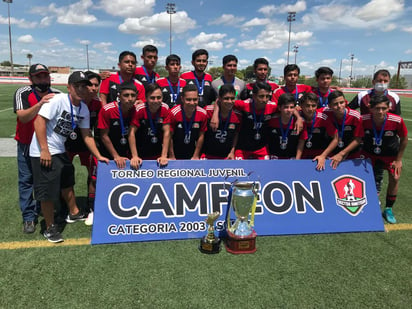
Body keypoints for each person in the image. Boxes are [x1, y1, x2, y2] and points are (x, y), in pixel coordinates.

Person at [29, 71, 109, 242]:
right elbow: (39, 121)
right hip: (43, 151)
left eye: (84, 86)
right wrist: (44, 149)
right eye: (77, 86)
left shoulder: (83, 108)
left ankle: (73, 213)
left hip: (59, 150)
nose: (81, 89)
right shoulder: (58, 100)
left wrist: (98, 155)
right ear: (69, 87)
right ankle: (49, 228)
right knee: (48, 191)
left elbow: (87, 135)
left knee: (67, 183)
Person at [13, 63, 60, 234]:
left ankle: (46, 209)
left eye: (45, 76)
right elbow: (23, 117)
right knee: (26, 180)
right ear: (30, 78)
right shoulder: (23, 92)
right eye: (38, 76)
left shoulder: (57, 94)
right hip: (27, 144)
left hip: (47, 146)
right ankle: (29, 217)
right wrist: (40, 104)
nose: (42, 79)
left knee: (46, 180)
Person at [361, 94, 407, 224]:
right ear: (370, 108)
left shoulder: (396, 120)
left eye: (383, 108)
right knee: (363, 178)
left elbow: (404, 139)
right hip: (369, 154)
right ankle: (368, 205)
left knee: (395, 178)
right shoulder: (363, 119)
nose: (380, 111)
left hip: (390, 156)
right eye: (377, 108)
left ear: (389, 108)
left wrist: (398, 160)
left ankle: (388, 209)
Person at [65, 71, 102, 226]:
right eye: (90, 85)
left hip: (87, 143)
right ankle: (65, 205)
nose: (93, 88)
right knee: (65, 176)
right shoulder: (72, 100)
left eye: (96, 85)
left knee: (93, 175)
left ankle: (91, 206)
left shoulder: (97, 104)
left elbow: (98, 128)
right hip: (67, 143)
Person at [128, 83, 171, 168]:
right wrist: (135, 156)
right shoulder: (139, 109)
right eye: (152, 98)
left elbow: (167, 132)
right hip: (139, 153)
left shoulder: (165, 108)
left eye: (159, 98)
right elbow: (131, 133)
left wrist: (164, 155)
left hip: (157, 153)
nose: (156, 101)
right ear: (146, 98)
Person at [98, 81, 137, 169]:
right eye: (126, 95)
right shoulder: (108, 110)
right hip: (106, 151)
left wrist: (134, 155)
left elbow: (131, 133)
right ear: (119, 96)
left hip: (124, 150)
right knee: (95, 179)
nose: (130, 99)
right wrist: (116, 156)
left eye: (133, 95)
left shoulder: (134, 110)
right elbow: (104, 135)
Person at [234, 82, 278, 160]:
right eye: (261, 96)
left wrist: (298, 118)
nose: (265, 100)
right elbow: (220, 101)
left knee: (265, 170)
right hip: (242, 148)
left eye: (267, 96)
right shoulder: (244, 104)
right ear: (253, 96)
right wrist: (215, 115)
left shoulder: (272, 106)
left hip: (261, 149)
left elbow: (287, 107)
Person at [324, 90, 364, 169]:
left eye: (341, 102)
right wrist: (298, 118)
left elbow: (358, 139)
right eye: (335, 104)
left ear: (345, 102)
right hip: (332, 152)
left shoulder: (355, 116)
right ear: (329, 106)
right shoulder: (325, 112)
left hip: (352, 152)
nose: (339, 106)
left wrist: (342, 153)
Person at [299, 92, 338, 170]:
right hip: (302, 155)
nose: (310, 109)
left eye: (313, 106)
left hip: (320, 155)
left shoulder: (323, 118)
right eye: (307, 105)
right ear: (301, 106)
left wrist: (323, 155)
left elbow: (336, 139)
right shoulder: (297, 117)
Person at [169, 84, 208, 160]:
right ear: (182, 99)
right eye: (188, 100)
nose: (192, 103)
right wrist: (171, 156)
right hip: (175, 152)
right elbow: (168, 136)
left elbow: (201, 135)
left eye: (195, 99)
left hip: (192, 153)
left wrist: (196, 155)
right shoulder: (173, 113)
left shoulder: (202, 113)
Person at [202, 84, 241, 159]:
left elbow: (236, 134)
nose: (230, 101)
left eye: (232, 98)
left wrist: (232, 152)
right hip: (207, 155)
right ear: (219, 98)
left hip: (226, 156)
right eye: (226, 98)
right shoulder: (207, 111)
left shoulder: (238, 115)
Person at [266, 93, 307, 160]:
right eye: (286, 107)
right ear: (279, 108)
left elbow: (301, 142)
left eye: (291, 107)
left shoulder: (300, 123)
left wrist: (297, 159)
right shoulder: (271, 121)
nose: (289, 110)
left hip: (291, 157)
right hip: (274, 157)